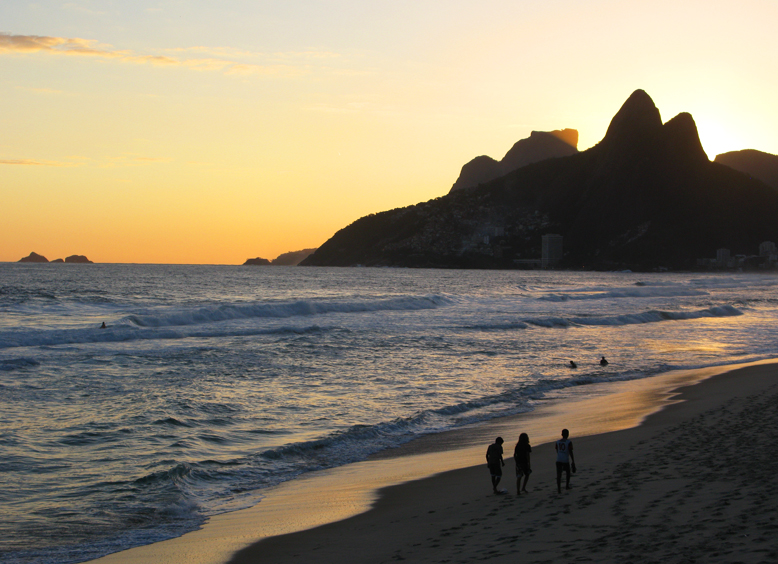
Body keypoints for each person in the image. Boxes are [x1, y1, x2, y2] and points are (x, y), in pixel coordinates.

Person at [555, 429, 576, 493]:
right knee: (568, 473)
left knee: (559, 475)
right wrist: (573, 460)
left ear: (562, 434)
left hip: (558, 459)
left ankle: (559, 489)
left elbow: (557, 450)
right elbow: (570, 452)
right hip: (565, 460)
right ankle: (567, 485)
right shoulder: (568, 442)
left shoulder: (557, 442)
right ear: (568, 434)